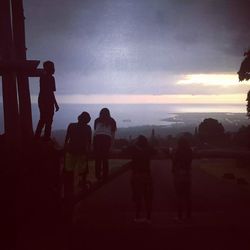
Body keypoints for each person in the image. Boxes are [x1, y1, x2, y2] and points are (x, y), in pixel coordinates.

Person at [127, 135, 155, 223]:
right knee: (148, 198)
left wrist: (133, 141)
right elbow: (155, 150)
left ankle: (137, 217)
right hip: (147, 176)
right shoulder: (148, 150)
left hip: (136, 176)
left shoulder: (133, 149)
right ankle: (148, 218)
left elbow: (127, 148)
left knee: (138, 197)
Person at [63, 111, 92, 197]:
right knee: (83, 171)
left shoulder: (71, 125)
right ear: (87, 120)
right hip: (81, 152)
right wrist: (88, 151)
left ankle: (68, 189)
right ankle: (82, 185)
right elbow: (89, 141)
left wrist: (65, 147)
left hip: (70, 151)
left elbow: (67, 138)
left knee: (68, 171)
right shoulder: (88, 128)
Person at [35, 61, 59, 141]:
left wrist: (55, 104)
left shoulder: (45, 77)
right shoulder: (48, 78)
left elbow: (51, 92)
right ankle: (44, 138)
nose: (54, 69)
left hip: (43, 100)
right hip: (46, 101)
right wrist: (55, 104)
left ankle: (39, 137)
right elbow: (50, 92)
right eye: (52, 67)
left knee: (44, 119)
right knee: (46, 120)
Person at [172, 137, 193, 221]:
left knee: (179, 196)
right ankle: (188, 215)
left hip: (179, 176)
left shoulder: (177, 152)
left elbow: (174, 163)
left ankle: (180, 216)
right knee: (187, 196)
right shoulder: (189, 152)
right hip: (187, 176)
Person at [93, 108, 116, 181]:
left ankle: (98, 175)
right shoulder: (112, 121)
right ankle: (105, 175)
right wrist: (112, 146)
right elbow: (112, 134)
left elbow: (95, 131)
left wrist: (91, 144)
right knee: (105, 158)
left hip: (97, 138)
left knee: (98, 158)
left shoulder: (97, 120)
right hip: (106, 139)